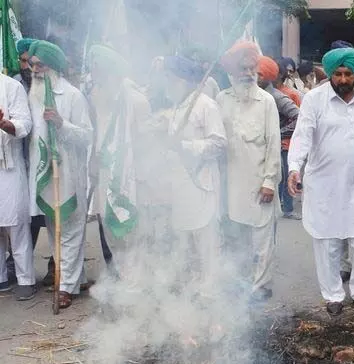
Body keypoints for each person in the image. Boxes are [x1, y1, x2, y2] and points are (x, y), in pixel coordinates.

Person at [287, 47, 354, 316]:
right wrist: (294, 168)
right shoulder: (314, 99)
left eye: (348, 74)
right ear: (330, 74)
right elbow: (302, 137)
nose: (343, 80)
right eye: (338, 74)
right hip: (325, 184)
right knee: (328, 241)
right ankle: (333, 295)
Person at [27, 41, 93, 309]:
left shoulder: (74, 95)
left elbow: (87, 135)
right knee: (55, 230)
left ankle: (65, 287)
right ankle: (72, 278)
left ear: (52, 67)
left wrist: (61, 123)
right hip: (44, 174)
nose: (34, 69)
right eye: (32, 64)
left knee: (71, 230)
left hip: (69, 172)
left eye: (39, 65)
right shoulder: (33, 94)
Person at [218, 42, 282, 302]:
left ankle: (261, 286)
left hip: (259, 183)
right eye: (242, 68)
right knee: (235, 238)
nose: (247, 72)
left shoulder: (266, 101)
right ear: (232, 71)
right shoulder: (221, 100)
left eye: (251, 67)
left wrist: (269, 182)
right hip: (230, 184)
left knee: (262, 240)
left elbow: (273, 144)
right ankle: (239, 282)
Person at [162, 55, 226, 288]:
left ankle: (210, 293)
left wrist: (185, 146)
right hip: (181, 186)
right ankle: (193, 288)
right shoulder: (179, 106)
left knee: (207, 244)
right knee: (186, 242)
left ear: (182, 79)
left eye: (169, 77)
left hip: (202, 184)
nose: (166, 82)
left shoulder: (206, 105)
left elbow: (219, 144)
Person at [87, 45, 152, 277]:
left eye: (98, 70)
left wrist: (142, 178)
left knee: (132, 230)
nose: (93, 75)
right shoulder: (96, 96)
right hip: (106, 174)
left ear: (112, 72)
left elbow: (147, 143)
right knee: (107, 224)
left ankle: (136, 285)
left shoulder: (137, 101)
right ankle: (122, 280)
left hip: (130, 177)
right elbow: (97, 134)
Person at [0, 72, 34, 300]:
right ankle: (1, 278)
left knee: (17, 225)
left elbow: (25, 124)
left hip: (9, 167)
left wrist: (4, 124)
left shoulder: (11, 87)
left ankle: (26, 280)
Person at [257, 55, 300, 221]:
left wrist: (277, 133)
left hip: (277, 149)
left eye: (259, 74)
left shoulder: (275, 97)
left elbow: (299, 117)